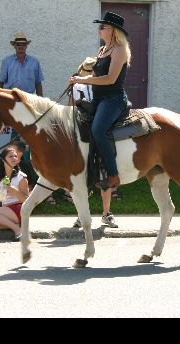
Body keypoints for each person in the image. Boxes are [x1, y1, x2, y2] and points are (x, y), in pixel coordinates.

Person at [68, 12, 130, 190]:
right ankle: (89, 168)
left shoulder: (119, 50)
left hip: (113, 99)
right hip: (99, 98)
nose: (99, 29)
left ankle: (113, 174)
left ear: (113, 31)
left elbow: (110, 79)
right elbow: (95, 75)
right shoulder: (102, 50)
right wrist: (77, 78)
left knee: (98, 129)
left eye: (103, 27)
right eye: (100, 26)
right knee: (78, 121)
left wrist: (82, 80)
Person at [69, 56, 119, 228]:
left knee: (85, 173)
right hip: (90, 130)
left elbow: (71, 109)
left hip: (84, 131)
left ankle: (84, 214)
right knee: (100, 170)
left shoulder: (77, 85)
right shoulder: (99, 84)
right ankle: (104, 213)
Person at [0, 32, 44, 96]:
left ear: (26, 46)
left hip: (29, 98)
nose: (21, 47)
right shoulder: (6, 62)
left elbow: (38, 83)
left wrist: (40, 100)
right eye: (18, 44)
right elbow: (0, 83)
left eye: (23, 44)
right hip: (11, 98)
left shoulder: (34, 62)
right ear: (14, 46)